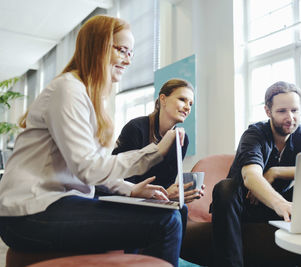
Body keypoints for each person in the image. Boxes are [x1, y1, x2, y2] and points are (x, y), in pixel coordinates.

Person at [0, 15, 183, 267]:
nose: (129, 59)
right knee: (165, 222)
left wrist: (131, 189)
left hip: (56, 204)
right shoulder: (68, 90)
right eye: (122, 50)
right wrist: (155, 152)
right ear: (98, 46)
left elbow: (94, 165)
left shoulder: (90, 97)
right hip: (30, 213)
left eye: (131, 52)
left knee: (161, 214)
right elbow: (88, 170)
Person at [210, 81, 301, 267]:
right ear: (268, 111)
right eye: (282, 111)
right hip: (244, 207)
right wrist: (279, 203)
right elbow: (250, 175)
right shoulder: (254, 134)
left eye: (295, 110)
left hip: (278, 208)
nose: (290, 117)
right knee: (225, 188)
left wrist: (276, 172)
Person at [111, 78, 204, 203]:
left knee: (182, 210)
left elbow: (166, 185)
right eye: (182, 100)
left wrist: (179, 193)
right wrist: (164, 194)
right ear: (163, 99)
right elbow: (124, 183)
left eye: (191, 104)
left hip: (154, 202)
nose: (187, 107)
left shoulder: (182, 140)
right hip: (126, 199)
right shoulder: (136, 128)